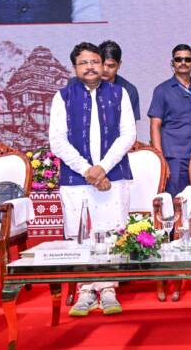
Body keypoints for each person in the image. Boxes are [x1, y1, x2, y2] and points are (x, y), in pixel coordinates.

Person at [49, 42, 136, 317]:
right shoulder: (63, 97)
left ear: (103, 64)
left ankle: (109, 288)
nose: (90, 67)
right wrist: (89, 171)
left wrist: (103, 168)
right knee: (81, 233)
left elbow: (128, 135)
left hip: (114, 175)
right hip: (77, 179)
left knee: (112, 232)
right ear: (74, 67)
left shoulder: (119, 93)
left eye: (95, 61)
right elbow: (57, 141)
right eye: (83, 62)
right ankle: (85, 290)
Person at [148, 44, 191, 195]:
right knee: (175, 200)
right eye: (179, 59)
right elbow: (155, 126)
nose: (183, 62)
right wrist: (160, 159)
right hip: (175, 157)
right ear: (173, 63)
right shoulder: (162, 90)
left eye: (187, 59)